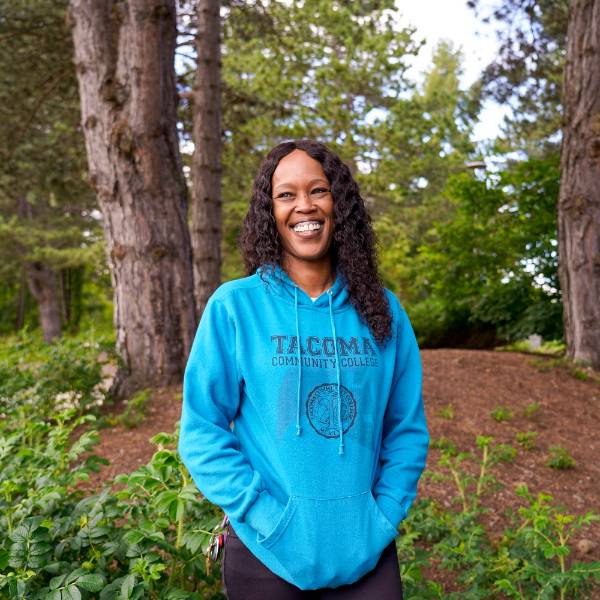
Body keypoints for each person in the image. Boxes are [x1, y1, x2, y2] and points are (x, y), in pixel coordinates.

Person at [178, 139, 430, 599]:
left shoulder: (383, 311)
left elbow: (406, 430)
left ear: (340, 204)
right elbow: (202, 431)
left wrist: (383, 515)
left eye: (318, 190)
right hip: (266, 551)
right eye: (286, 195)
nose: (304, 206)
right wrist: (264, 514)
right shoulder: (236, 307)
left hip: (366, 551)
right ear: (269, 211)